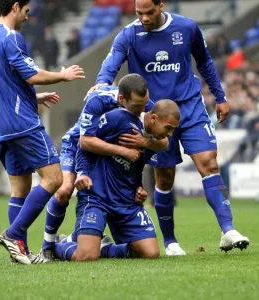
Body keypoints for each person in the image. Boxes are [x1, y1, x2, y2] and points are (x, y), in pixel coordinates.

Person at [86, 0, 249, 255]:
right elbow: (111, 64)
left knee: (209, 163)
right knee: (164, 176)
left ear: (161, 5)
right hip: (155, 115)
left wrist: (220, 96)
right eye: (139, 13)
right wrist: (102, 84)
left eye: (149, 12)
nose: (144, 18)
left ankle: (228, 230)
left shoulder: (186, 28)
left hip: (190, 106)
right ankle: (171, 241)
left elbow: (204, 62)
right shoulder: (129, 34)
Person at [0, 0, 85, 265]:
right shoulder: (12, 37)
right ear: (15, 7)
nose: (28, 18)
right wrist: (63, 75)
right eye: (26, 11)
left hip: (3, 125)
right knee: (54, 179)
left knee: (20, 189)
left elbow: (7, 82)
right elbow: (30, 74)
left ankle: (20, 253)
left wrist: (34, 98)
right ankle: (13, 234)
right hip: (23, 124)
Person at [40, 73, 168, 260]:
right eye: (138, 106)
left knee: (150, 253)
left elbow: (157, 147)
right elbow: (85, 142)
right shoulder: (99, 102)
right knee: (64, 190)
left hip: (118, 188)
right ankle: (49, 245)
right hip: (76, 142)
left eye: (145, 105)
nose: (143, 110)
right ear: (122, 99)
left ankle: (98, 245)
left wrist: (144, 144)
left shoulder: (142, 111)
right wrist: (86, 170)